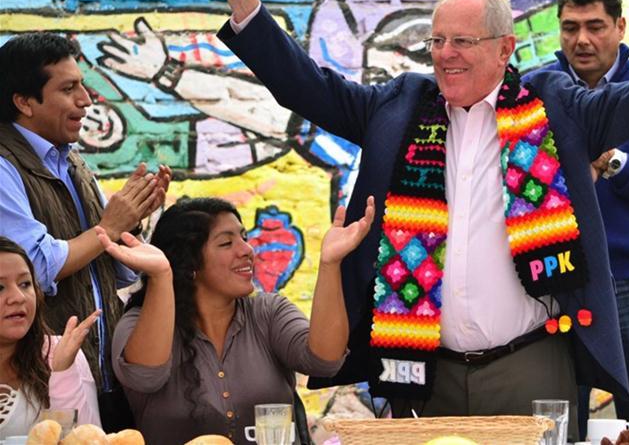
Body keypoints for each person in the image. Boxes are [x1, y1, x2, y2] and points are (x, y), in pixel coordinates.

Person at [199, 0, 629, 435]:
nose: (445, 54)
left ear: (505, 49)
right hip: (421, 369)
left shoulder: (553, 106)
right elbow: (307, 88)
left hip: (529, 366)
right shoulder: (401, 107)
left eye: (462, 41)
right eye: (437, 41)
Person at [531, 0, 629, 436]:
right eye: (570, 27)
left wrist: (613, 161)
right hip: (558, 276)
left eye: (595, 26)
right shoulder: (538, 90)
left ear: (620, 27)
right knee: (559, 420)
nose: (582, 39)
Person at [0, 33, 171, 430]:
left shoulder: (72, 161)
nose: (86, 100)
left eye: (82, 85)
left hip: (104, 376)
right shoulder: (5, 165)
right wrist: (109, 226)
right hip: (44, 386)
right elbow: (37, 269)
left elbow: (111, 265)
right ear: (24, 102)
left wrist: (133, 223)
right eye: (68, 88)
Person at [104, 195, 374, 445]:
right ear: (189, 264)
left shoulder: (268, 312)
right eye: (226, 243)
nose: (247, 250)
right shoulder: (137, 324)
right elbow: (144, 377)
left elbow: (325, 361)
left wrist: (330, 264)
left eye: (244, 238)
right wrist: (162, 275)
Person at [0, 236, 102, 438]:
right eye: (0, 287)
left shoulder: (58, 351)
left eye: (25, 284)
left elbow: (87, 440)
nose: (18, 297)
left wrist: (63, 372)